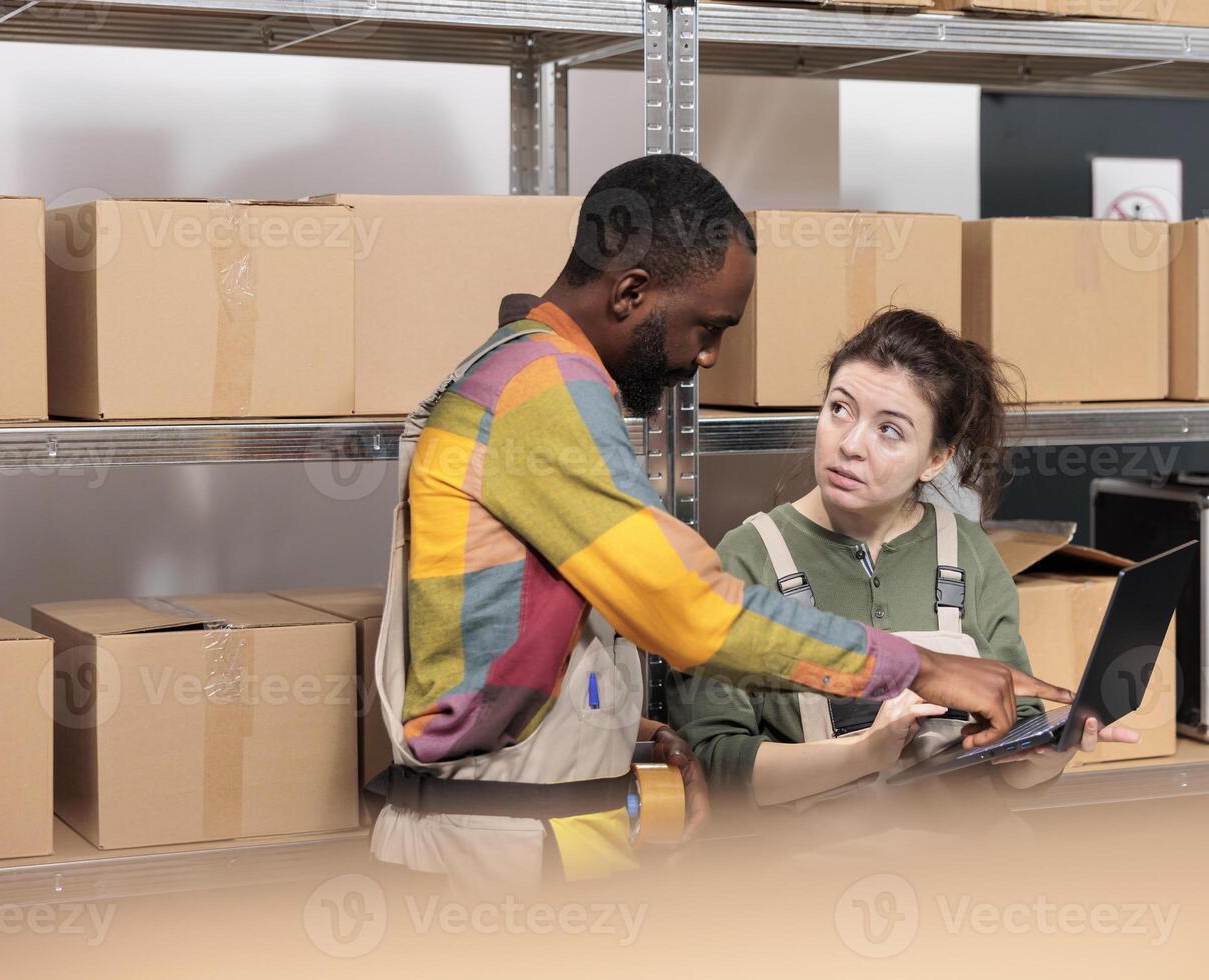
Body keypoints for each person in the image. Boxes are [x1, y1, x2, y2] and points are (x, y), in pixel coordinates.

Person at [367, 156, 1072, 888]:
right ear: (632, 293)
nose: (707, 356)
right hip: (496, 863)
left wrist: (637, 737)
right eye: (707, 327)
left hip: (527, 842)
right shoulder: (541, 394)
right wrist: (922, 666)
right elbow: (692, 613)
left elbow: (505, 640)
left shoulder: (525, 378)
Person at [666, 308, 1139, 811]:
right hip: (817, 876)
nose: (849, 445)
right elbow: (716, 767)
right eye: (839, 409)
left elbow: (1013, 756)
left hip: (970, 868)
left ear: (936, 459)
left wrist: (1052, 750)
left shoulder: (968, 552)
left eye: (889, 431)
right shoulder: (746, 558)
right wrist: (864, 754)